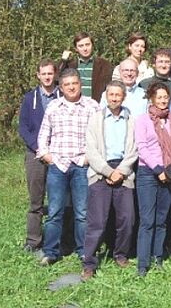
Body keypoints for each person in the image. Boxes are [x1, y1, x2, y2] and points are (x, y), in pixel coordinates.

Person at [37, 69, 100, 265]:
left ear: (80, 84)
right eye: (67, 85)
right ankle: (50, 252)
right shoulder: (54, 106)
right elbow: (43, 135)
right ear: (61, 88)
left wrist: (91, 158)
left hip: (82, 165)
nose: (71, 87)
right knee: (55, 211)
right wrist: (47, 156)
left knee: (82, 212)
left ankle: (84, 251)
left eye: (74, 83)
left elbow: (100, 134)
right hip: (58, 165)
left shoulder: (92, 106)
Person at [82, 81, 138, 280]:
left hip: (124, 172)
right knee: (97, 221)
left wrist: (121, 171)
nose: (114, 98)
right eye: (111, 94)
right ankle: (89, 262)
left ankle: (120, 254)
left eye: (118, 95)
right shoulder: (96, 119)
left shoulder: (131, 120)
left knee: (127, 219)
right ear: (106, 96)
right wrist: (107, 171)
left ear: (123, 97)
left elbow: (134, 150)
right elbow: (91, 150)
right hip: (100, 172)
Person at [134, 82, 171, 276]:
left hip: (170, 173)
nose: (163, 100)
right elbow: (142, 147)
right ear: (152, 98)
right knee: (147, 220)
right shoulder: (142, 120)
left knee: (162, 219)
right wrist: (158, 169)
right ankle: (143, 263)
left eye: (166, 97)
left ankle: (158, 257)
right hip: (148, 173)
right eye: (159, 97)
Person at [18, 58, 62, 254]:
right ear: (38, 75)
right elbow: (24, 128)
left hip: (59, 155)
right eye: (43, 73)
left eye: (50, 73)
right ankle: (33, 240)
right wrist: (39, 149)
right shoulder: (30, 98)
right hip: (35, 155)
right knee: (36, 201)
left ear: (55, 75)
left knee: (59, 200)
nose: (47, 77)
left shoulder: (63, 97)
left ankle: (59, 240)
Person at [59, 32, 112, 102]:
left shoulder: (104, 65)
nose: (85, 49)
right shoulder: (70, 65)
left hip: (96, 106)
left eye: (87, 45)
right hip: (74, 106)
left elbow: (109, 87)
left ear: (92, 45)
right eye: (81, 46)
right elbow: (56, 79)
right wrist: (63, 60)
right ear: (76, 48)